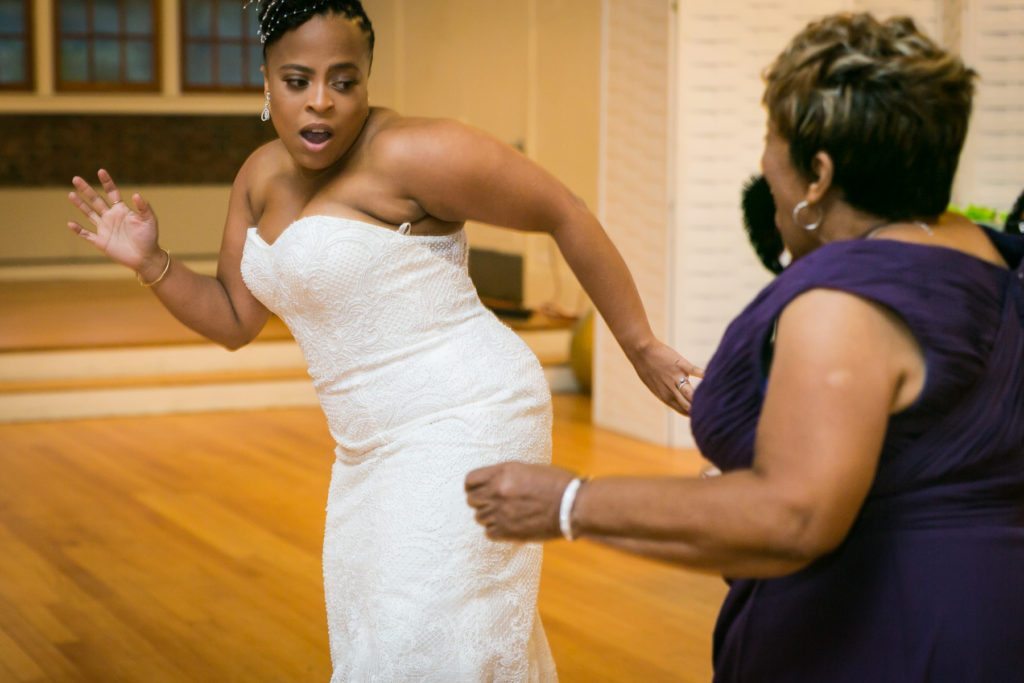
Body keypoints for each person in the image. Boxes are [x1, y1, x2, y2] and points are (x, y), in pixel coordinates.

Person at [66, 0, 697, 679]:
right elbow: (232, 319)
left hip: (468, 414)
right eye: (298, 79)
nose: (321, 104)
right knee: (394, 640)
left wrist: (639, 345)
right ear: (265, 79)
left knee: (420, 641)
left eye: (345, 80)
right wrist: (152, 263)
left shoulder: (411, 151)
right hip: (366, 450)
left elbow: (562, 211)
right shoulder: (258, 177)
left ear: (368, 78)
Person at [466, 12, 1024, 682]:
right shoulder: (991, 257)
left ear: (818, 173)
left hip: (883, 633)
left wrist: (568, 501)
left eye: (771, 139)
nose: (764, 164)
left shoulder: (845, 301)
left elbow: (794, 515)